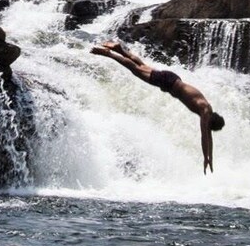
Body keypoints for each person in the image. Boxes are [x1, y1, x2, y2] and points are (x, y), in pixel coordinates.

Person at [90, 41, 224, 174]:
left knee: (142, 66)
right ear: (211, 122)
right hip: (169, 82)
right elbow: (204, 136)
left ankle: (119, 49)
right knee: (136, 70)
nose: (206, 127)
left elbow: (208, 136)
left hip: (172, 80)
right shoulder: (205, 111)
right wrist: (204, 156)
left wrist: (209, 157)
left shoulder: (207, 109)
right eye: (208, 126)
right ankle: (109, 54)